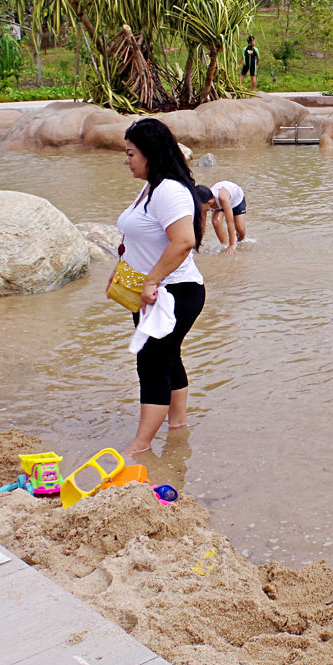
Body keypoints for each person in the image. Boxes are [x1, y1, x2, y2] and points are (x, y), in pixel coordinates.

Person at [117, 118, 207, 457]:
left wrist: (152, 279)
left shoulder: (168, 190)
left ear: (150, 154)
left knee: (151, 362)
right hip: (151, 291)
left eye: (130, 154)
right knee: (167, 357)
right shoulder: (152, 186)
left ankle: (140, 446)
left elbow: (184, 241)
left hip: (172, 292)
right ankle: (178, 426)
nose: (127, 160)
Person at [194, 181, 246, 254]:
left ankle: (239, 243)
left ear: (209, 203)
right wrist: (197, 245)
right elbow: (202, 225)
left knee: (240, 229)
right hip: (219, 204)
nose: (197, 208)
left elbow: (230, 222)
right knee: (216, 221)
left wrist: (232, 245)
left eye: (198, 206)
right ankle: (225, 246)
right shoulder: (203, 203)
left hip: (236, 201)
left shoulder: (222, 198)